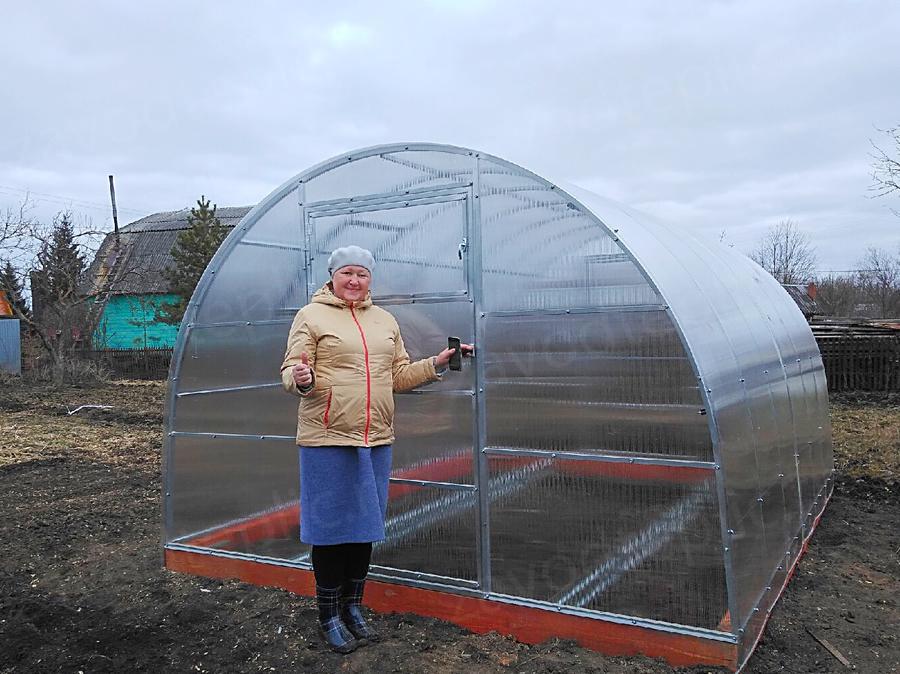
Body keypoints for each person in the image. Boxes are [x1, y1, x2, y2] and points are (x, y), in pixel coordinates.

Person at [280, 245, 473, 654]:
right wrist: (301, 377)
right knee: (331, 532)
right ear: (332, 276)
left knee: (363, 528)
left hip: (375, 439)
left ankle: (353, 609)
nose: (354, 280)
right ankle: (328, 616)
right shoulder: (310, 316)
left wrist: (436, 362)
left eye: (362, 274)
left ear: (370, 279)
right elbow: (291, 373)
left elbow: (397, 376)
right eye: (346, 273)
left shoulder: (385, 320)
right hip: (328, 438)